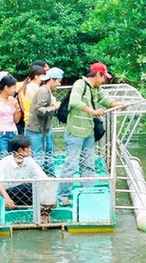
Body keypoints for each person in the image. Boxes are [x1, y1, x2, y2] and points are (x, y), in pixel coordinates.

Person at [57, 62, 126, 206]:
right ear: (98, 75)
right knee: (71, 163)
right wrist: (92, 111)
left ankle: (87, 192)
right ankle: (63, 195)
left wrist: (117, 104)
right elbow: (74, 101)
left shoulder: (96, 88)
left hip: (88, 133)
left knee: (88, 163)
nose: (104, 80)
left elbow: (106, 100)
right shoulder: (80, 84)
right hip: (75, 132)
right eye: (103, 77)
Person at [0, 135, 48, 209]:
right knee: (28, 187)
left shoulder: (29, 160)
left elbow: (43, 178)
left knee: (36, 187)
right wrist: (7, 198)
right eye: (28, 148)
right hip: (1, 194)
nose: (30, 150)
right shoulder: (4, 162)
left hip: (19, 192)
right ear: (20, 150)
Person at [25, 67, 63, 176]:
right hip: (35, 131)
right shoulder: (43, 91)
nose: (59, 84)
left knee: (48, 155)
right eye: (58, 81)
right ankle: (37, 182)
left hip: (45, 129)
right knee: (38, 159)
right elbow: (39, 109)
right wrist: (55, 108)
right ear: (51, 79)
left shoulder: (47, 91)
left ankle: (50, 177)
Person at [16, 64, 47, 134]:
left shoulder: (22, 88)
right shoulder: (38, 89)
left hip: (27, 121)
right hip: (38, 122)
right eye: (43, 76)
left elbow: (23, 108)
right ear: (36, 77)